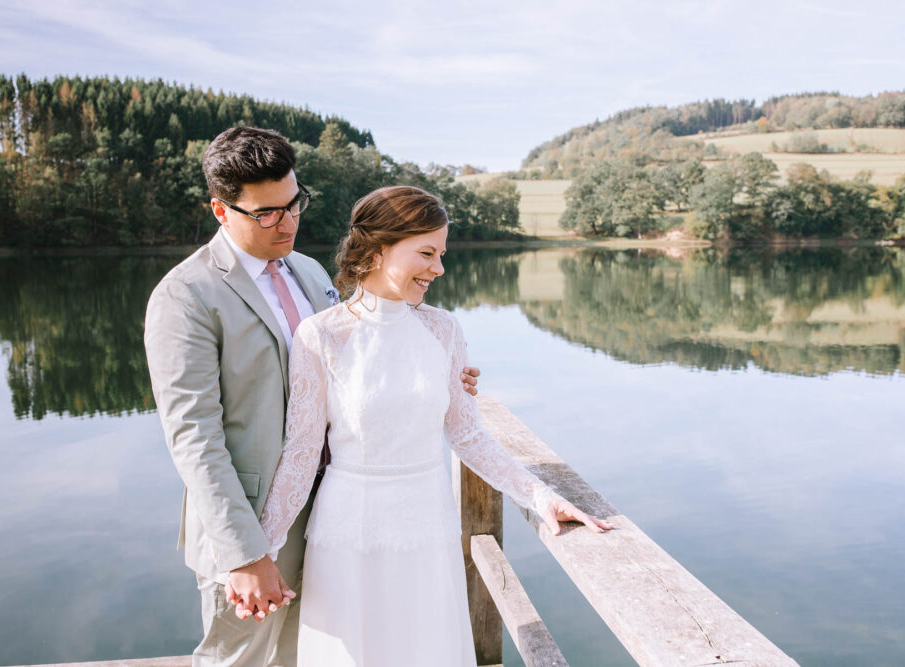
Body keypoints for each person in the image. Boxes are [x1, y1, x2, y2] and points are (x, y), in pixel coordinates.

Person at [144, 127, 483, 667]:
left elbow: (362, 359)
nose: (288, 222)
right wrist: (246, 553)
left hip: (334, 515)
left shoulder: (309, 271)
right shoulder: (185, 296)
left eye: (294, 203)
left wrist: (437, 379)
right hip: (254, 524)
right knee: (242, 660)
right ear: (219, 209)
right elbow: (193, 439)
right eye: (267, 213)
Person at [250, 185, 613, 666]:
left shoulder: (443, 330)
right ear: (378, 250)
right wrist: (260, 551)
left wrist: (541, 496)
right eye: (426, 253)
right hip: (348, 529)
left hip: (427, 522)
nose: (438, 268)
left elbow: (467, 435)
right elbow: (300, 452)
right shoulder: (321, 335)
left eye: (441, 254)